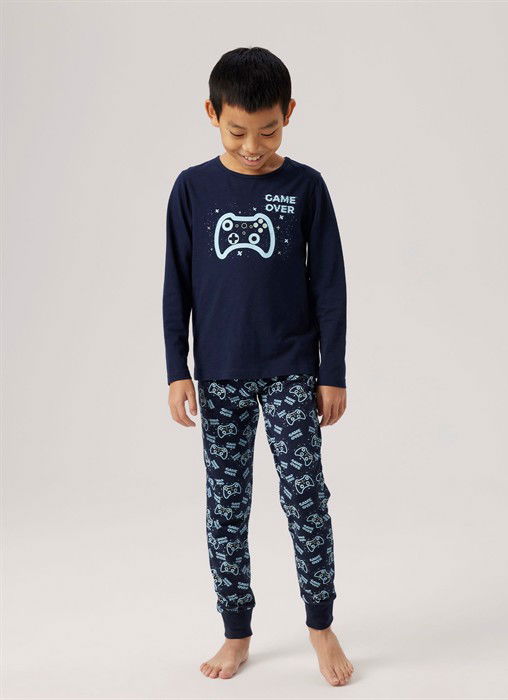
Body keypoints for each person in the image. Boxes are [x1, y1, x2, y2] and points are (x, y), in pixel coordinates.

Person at [162, 46, 353, 686]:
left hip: (292, 371)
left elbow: (329, 284)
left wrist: (332, 371)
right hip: (219, 376)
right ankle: (236, 631)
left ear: (289, 113)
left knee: (306, 498)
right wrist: (177, 368)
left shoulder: (305, 187)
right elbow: (176, 285)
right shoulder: (192, 189)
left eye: (268, 131)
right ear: (212, 114)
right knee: (226, 507)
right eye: (237, 131)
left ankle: (321, 626)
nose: (252, 147)